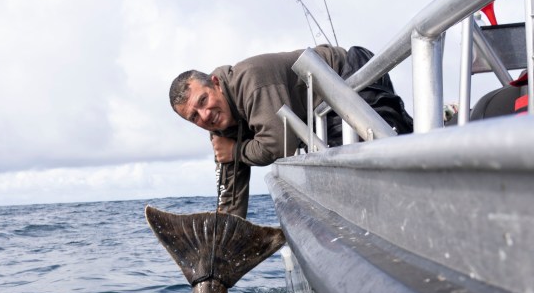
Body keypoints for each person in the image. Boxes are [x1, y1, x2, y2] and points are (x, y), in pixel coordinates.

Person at [170, 44, 413, 218]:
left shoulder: (251, 80)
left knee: (366, 162)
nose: (204, 115)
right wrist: (222, 246)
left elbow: (278, 143)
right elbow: (231, 197)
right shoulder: (220, 127)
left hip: (346, 75)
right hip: (316, 114)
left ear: (215, 84)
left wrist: (237, 151)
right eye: (194, 117)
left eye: (202, 101)